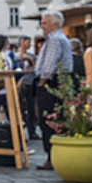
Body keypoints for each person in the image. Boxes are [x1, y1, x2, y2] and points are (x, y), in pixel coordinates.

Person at [34, 11, 73, 170]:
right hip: (58, 81)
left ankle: (52, 156)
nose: (41, 26)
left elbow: (50, 63)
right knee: (56, 118)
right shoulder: (58, 38)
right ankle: (55, 156)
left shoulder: (55, 39)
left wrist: (42, 81)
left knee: (48, 119)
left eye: (44, 23)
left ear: (54, 24)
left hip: (51, 82)